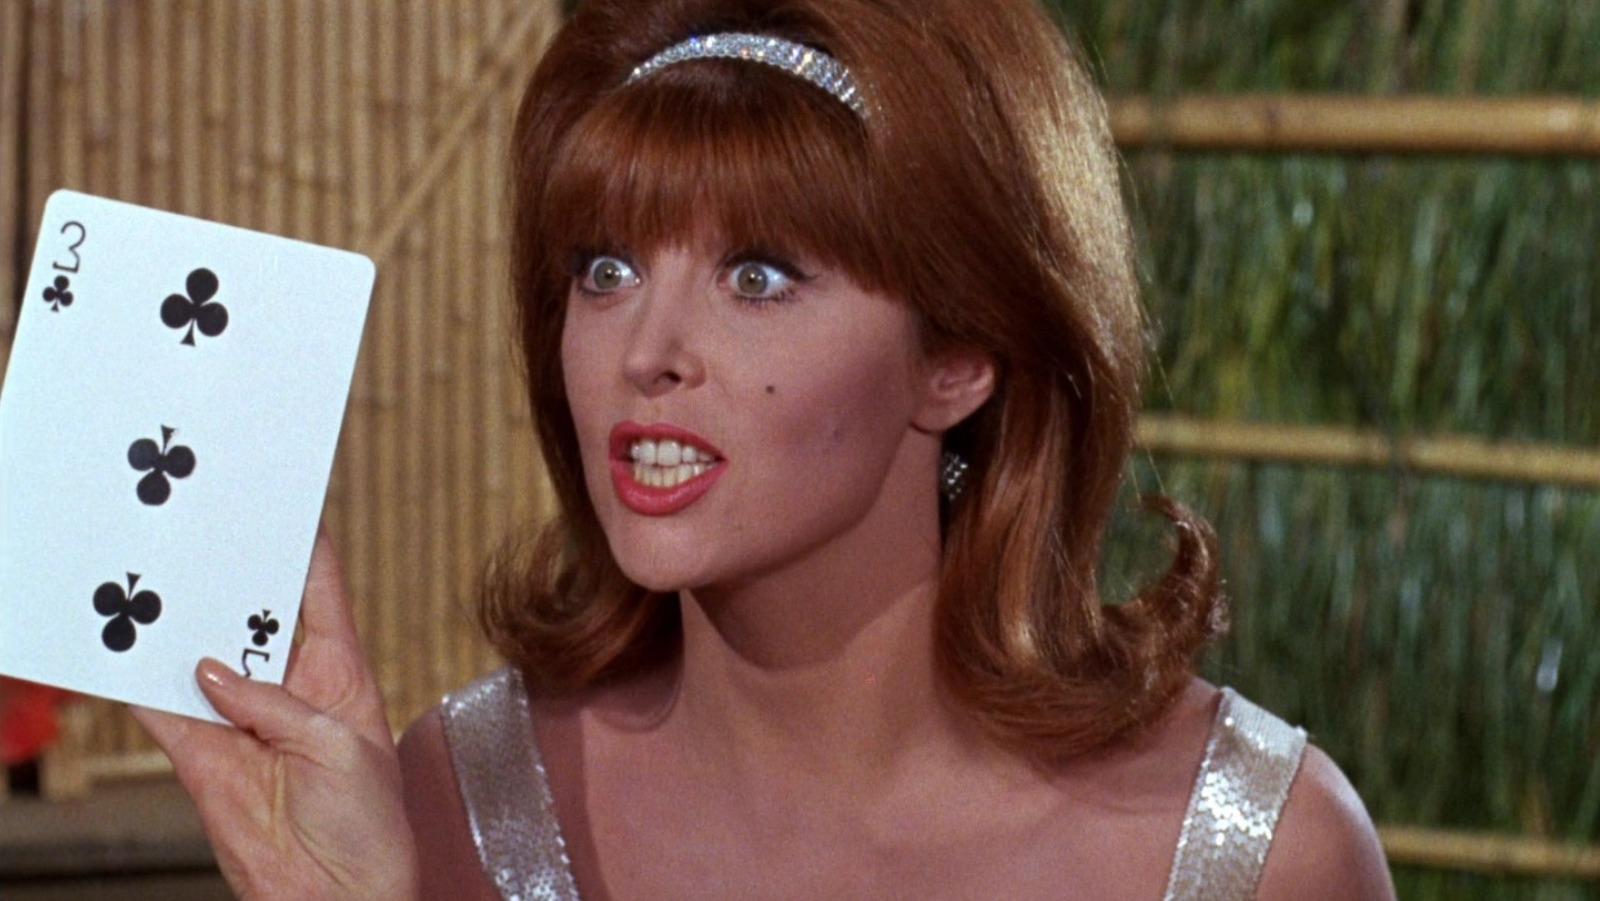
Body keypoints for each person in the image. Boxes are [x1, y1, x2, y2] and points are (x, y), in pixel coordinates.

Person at [134, 0, 1396, 897]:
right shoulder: (462, 804)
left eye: (757, 276)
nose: (646, 351)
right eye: (605, 269)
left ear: (958, 357)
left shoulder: (1255, 852)